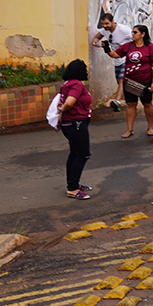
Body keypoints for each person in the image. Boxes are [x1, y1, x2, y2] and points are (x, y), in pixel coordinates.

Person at [104, 24, 153, 138]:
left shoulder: (150, 47)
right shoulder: (128, 46)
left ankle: (150, 127)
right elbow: (115, 54)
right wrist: (106, 48)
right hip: (129, 81)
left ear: (143, 34)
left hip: (145, 81)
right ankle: (129, 129)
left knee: (147, 104)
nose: (132, 34)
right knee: (130, 104)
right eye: (132, 32)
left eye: (135, 32)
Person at [58, 59, 93, 200]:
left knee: (74, 154)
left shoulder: (67, 84)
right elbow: (70, 102)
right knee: (82, 154)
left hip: (70, 123)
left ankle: (73, 184)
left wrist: (63, 111)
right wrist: (64, 108)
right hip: (76, 123)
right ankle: (72, 189)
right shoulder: (77, 84)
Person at [91, 13, 130, 111]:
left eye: (107, 23)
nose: (105, 26)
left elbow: (136, 37)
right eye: (103, 24)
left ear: (112, 21)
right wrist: (96, 40)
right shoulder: (105, 30)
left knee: (122, 80)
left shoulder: (123, 30)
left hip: (127, 58)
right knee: (120, 82)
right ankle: (129, 99)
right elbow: (100, 34)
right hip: (116, 59)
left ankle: (117, 101)